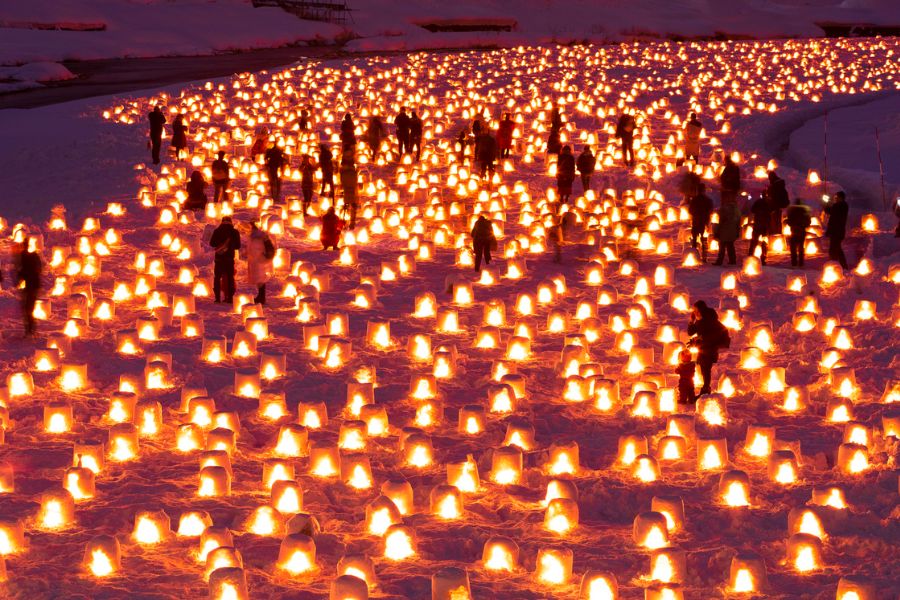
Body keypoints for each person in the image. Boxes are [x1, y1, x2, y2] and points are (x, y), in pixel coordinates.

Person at [687, 300, 730, 397]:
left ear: (701, 310)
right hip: (703, 348)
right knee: (703, 369)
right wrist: (691, 321)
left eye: (696, 310)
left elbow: (714, 334)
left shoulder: (710, 320)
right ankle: (705, 388)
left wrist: (700, 338)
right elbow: (690, 332)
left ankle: (706, 388)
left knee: (706, 369)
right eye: (694, 310)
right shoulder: (699, 320)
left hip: (710, 349)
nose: (695, 312)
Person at [209, 216, 240, 303]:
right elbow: (238, 246)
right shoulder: (234, 232)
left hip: (219, 259)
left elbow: (212, 243)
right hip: (229, 259)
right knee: (230, 278)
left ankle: (217, 298)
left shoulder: (217, 231)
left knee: (217, 278)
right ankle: (230, 298)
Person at [16, 241, 41, 337]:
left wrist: (20, 276)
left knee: (28, 309)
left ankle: (30, 330)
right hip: (31, 286)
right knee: (28, 309)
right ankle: (30, 329)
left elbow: (24, 271)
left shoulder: (26, 257)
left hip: (31, 286)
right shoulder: (32, 256)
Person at [246, 223, 275, 305]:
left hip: (259, 261)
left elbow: (256, 249)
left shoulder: (257, 238)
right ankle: (260, 296)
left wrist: (254, 255)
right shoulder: (261, 236)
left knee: (260, 280)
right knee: (260, 281)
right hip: (259, 260)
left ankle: (261, 298)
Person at [688, 183, 714, 262]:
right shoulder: (708, 200)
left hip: (696, 221)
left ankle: (694, 256)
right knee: (703, 240)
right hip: (704, 221)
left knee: (695, 239)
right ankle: (704, 257)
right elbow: (710, 210)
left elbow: (690, 210)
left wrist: (696, 214)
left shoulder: (694, 200)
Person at [824, 190, 849, 269]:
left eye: (836, 197)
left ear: (840, 198)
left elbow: (829, 211)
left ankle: (838, 265)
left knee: (835, 249)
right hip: (838, 231)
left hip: (836, 231)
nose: (835, 199)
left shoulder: (839, 206)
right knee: (836, 249)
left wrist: (826, 203)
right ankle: (838, 265)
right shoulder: (843, 206)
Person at [713, 195, 741, 265]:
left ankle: (719, 261)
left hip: (724, 231)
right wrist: (737, 231)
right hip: (732, 231)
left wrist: (717, 231)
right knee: (730, 246)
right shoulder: (736, 210)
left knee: (722, 247)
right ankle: (732, 260)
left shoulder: (723, 209)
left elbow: (721, 221)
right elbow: (738, 221)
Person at [786, 198, 811, 267]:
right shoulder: (805, 212)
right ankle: (801, 262)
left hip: (794, 231)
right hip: (802, 231)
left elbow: (789, 221)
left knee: (793, 248)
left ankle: (794, 262)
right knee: (801, 247)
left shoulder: (792, 211)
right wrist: (803, 225)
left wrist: (791, 224)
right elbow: (808, 222)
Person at [749, 193, 772, 264]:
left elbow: (752, 210)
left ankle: (750, 256)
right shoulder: (769, 203)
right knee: (764, 243)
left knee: (754, 241)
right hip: (764, 226)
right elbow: (771, 213)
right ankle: (763, 258)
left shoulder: (758, 202)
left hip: (758, 224)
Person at [766, 170, 789, 236]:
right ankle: (778, 233)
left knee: (774, 220)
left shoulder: (774, 186)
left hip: (774, 206)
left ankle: (775, 234)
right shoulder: (780, 185)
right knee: (778, 220)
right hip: (779, 206)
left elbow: (772, 196)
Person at [340, 155, 359, 229]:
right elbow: (355, 181)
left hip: (347, 191)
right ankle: (351, 223)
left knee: (346, 207)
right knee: (352, 208)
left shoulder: (344, 172)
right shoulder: (353, 172)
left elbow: (342, 182)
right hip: (352, 192)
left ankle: (344, 222)